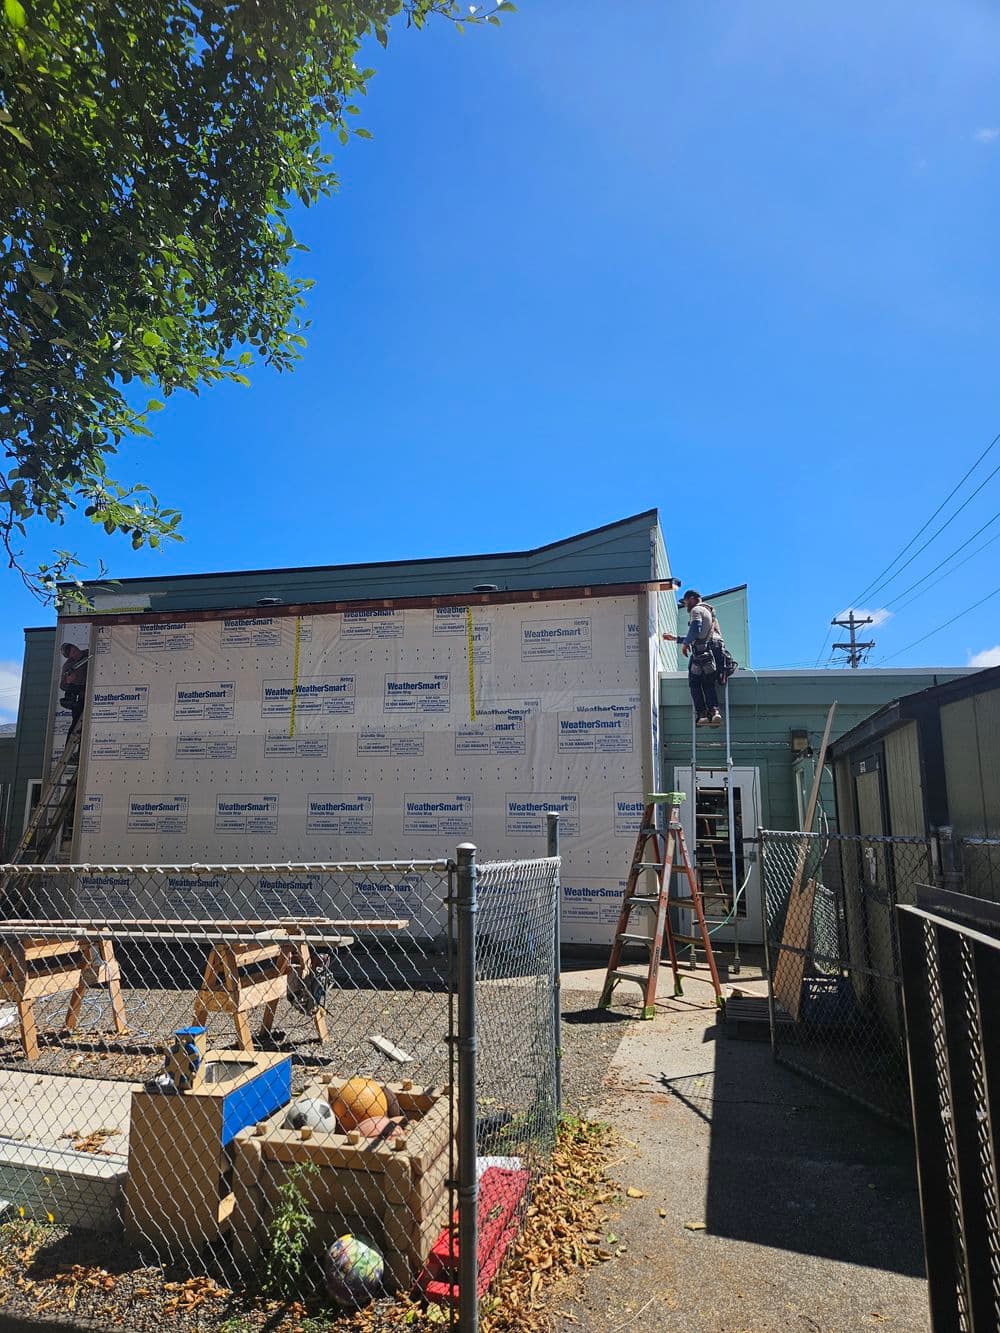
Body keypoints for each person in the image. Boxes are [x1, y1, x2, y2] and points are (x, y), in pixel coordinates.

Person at [663, 589, 730, 728]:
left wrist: (685, 644)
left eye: (686, 601)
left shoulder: (696, 610)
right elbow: (699, 635)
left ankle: (702, 714)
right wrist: (676, 638)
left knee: (694, 683)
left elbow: (695, 628)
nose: (686, 605)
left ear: (692, 599)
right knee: (708, 683)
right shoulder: (710, 614)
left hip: (704, 651)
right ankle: (715, 711)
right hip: (716, 652)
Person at [59, 642, 89, 732]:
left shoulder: (88, 653)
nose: (75, 651)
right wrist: (68, 681)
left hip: (92, 688)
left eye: (74, 648)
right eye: (72, 652)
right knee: (76, 722)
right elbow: (62, 685)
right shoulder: (68, 666)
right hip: (80, 693)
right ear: (70, 657)